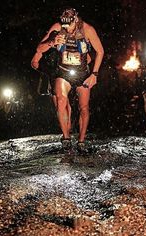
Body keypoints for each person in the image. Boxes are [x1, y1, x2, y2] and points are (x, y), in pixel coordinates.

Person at [31, 7, 104, 152]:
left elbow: (100, 51)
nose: (66, 29)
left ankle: (81, 140)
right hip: (63, 72)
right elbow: (39, 48)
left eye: (69, 26)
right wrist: (52, 41)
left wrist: (94, 74)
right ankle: (66, 137)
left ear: (75, 20)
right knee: (61, 100)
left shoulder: (87, 29)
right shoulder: (57, 27)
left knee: (84, 107)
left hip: (82, 73)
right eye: (64, 26)